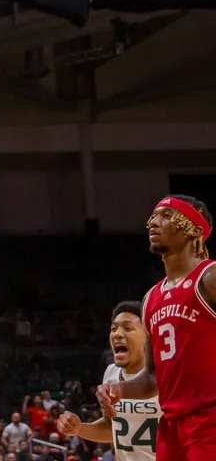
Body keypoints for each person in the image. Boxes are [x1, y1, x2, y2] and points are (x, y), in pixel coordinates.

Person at [97, 195, 216, 461]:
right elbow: (152, 378)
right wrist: (118, 390)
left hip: (209, 421)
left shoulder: (209, 277)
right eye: (153, 216)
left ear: (195, 230)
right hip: (171, 425)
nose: (153, 223)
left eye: (166, 216)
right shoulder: (152, 297)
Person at [58, 301, 159, 460]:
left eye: (128, 328)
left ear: (148, 336)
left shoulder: (168, 376)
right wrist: (79, 429)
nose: (117, 334)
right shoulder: (111, 373)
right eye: (113, 328)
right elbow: (111, 427)